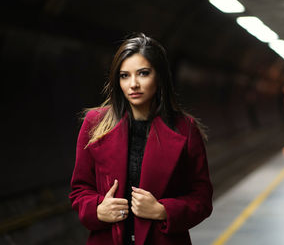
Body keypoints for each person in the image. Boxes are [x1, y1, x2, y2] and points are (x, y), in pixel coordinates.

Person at [69, 33, 213, 245]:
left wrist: (163, 211)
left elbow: (201, 199)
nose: (133, 84)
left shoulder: (185, 129)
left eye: (143, 73)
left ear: (160, 77)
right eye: (124, 75)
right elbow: (80, 189)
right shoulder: (95, 124)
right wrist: (98, 209)